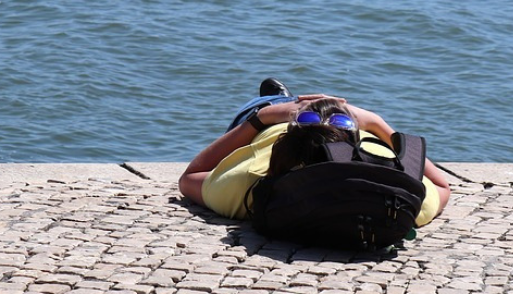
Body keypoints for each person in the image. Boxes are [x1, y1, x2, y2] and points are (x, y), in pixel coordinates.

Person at [179, 79, 451, 227]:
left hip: (275, 125)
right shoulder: (396, 197)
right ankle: (312, 108)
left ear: (284, 142)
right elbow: (442, 185)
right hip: (327, 130)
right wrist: (376, 122)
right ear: (356, 143)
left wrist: (261, 119)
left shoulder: (250, 184)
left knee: (262, 105)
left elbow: (190, 176)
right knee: (323, 111)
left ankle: (277, 100)